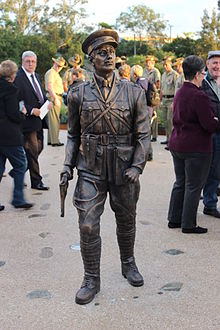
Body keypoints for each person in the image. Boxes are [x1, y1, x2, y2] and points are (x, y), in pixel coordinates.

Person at [60, 29, 151, 305]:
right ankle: (91, 278)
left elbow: (144, 135)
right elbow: (73, 135)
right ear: (91, 59)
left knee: (126, 219)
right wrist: (67, 166)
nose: (108, 56)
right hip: (90, 167)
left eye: (111, 52)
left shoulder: (133, 92)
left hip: (124, 168)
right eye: (102, 52)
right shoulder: (77, 94)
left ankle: (128, 262)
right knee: (87, 226)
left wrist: (137, 166)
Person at [167, 55, 220, 234]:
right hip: (196, 147)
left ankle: (174, 219)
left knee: (181, 182)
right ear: (197, 74)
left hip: (178, 144)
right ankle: (188, 224)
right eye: (203, 73)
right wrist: (216, 119)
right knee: (194, 186)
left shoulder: (181, 91)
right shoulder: (200, 96)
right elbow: (209, 124)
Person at [0, 60, 33, 209]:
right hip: (10, 135)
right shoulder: (11, 90)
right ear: (13, 75)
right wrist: (23, 115)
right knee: (21, 164)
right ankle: (18, 199)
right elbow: (13, 114)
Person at [14, 51, 50, 191]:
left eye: (33, 61)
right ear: (22, 62)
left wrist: (48, 102)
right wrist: (30, 110)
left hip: (39, 119)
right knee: (33, 151)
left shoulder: (36, 75)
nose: (31, 64)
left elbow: (39, 95)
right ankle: (36, 181)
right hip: (27, 121)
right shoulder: (18, 77)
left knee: (38, 148)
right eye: (28, 61)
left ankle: (19, 170)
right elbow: (16, 101)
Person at [202, 50, 220, 218]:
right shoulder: (202, 82)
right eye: (214, 62)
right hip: (210, 133)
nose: (217, 66)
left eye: (219, 63)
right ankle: (210, 203)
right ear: (207, 64)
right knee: (211, 168)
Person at [131, 64, 156, 161]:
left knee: (142, 133)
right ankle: (149, 154)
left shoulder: (138, 84)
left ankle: (147, 154)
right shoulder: (147, 81)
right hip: (149, 109)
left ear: (134, 75)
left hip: (143, 110)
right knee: (147, 132)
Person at [45, 56, 67, 147]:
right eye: (57, 65)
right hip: (54, 97)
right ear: (54, 63)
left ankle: (51, 140)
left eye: (60, 66)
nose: (58, 67)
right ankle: (55, 141)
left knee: (53, 119)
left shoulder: (54, 73)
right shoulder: (51, 73)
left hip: (56, 96)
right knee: (54, 119)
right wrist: (56, 98)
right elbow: (50, 87)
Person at [160, 56, 178, 148]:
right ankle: (167, 139)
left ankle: (171, 141)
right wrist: (160, 100)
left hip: (171, 99)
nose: (165, 66)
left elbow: (177, 89)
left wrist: (174, 102)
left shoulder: (174, 74)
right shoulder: (163, 75)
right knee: (165, 121)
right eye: (163, 65)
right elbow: (161, 89)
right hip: (164, 99)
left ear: (170, 64)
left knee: (170, 121)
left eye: (166, 65)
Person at [143, 55, 161, 142]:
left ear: (153, 63)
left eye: (149, 62)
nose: (147, 64)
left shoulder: (155, 71)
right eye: (146, 62)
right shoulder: (144, 71)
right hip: (145, 96)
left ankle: (154, 135)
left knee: (154, 116)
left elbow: (158, 84)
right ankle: (148, 134)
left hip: (153, 96)